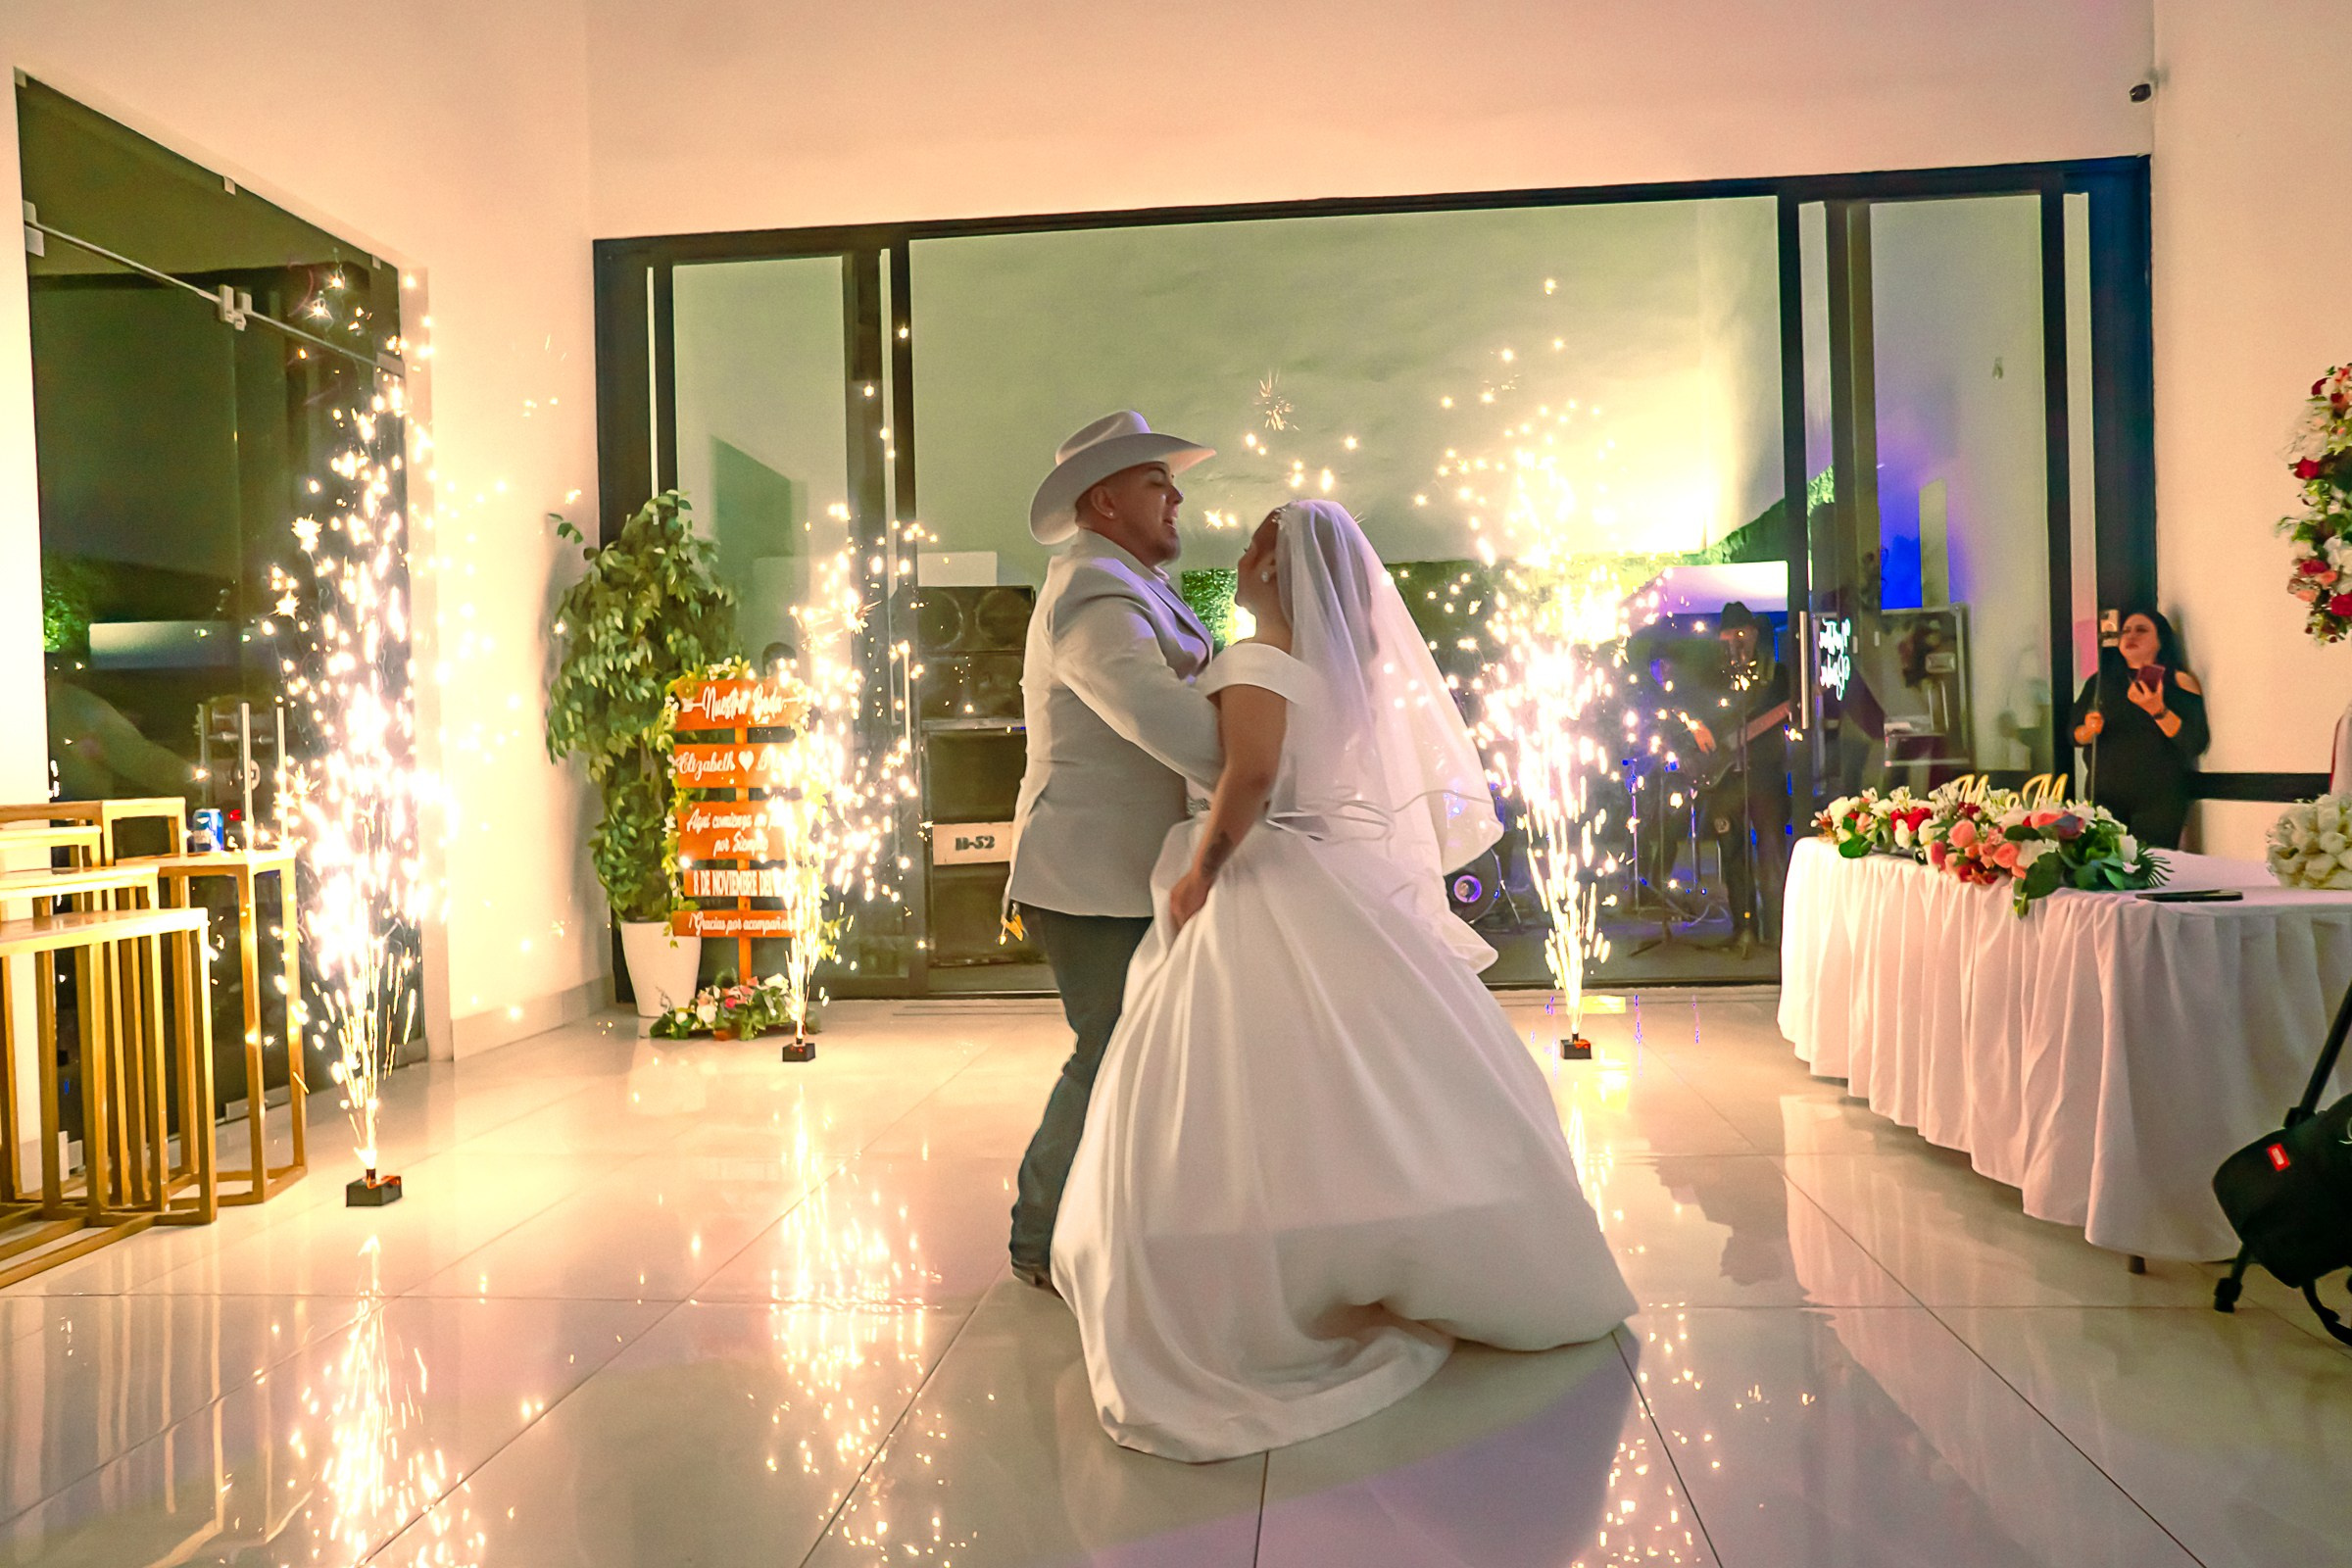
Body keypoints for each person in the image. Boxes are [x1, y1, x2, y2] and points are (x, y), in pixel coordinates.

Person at [1051, 501, 1634, 1462]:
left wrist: (1200, 869)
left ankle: (1259, 1267)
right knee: (1367, 1078)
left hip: (1258, 881)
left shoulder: (1254, 662)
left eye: (1251, 547)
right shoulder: (1343, 672)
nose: (1235, 558)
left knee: (1240, 1087)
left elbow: (1250, 775)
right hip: (1334, 877)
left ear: (1278, 567)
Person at [1004, 411, 1224, 1293]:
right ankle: (1038, 1235)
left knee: (1140, 1050)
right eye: (1155, 482)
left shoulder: (1124, 579)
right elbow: (1156, 713)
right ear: (1102, 500)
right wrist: (1267, 767)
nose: (1176, 496)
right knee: (1109, 1048)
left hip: (1136, 865)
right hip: (1091, 870)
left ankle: (1117, 1221)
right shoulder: (1093, 593)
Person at [1685, 603, 1792, 953]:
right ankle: (1743, 925)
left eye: (1742, 635)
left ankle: (1776, 932)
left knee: (1772, 853)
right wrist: (1696, 729)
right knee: (1733, 854)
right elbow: (1688, 711)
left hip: (1765, 780)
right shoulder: (1712, 680)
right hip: (1724, 781)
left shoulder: (1777, 676)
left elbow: (1796, 712)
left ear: (1756, 635)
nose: (1736, 643)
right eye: (1730, 636)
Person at [2071, 607, 2208, 849]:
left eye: (2141, 630)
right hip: (2105, 796)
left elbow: (2194, 742)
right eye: (2126, 631)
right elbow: (2073, 734)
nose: (2131, 636)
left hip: (2158, 798)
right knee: (2104, 871)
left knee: (2151, 871)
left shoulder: (2179, 681)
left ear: (2160, 640)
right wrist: (2089, 729)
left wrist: (2157, 710)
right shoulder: (2101, 681)